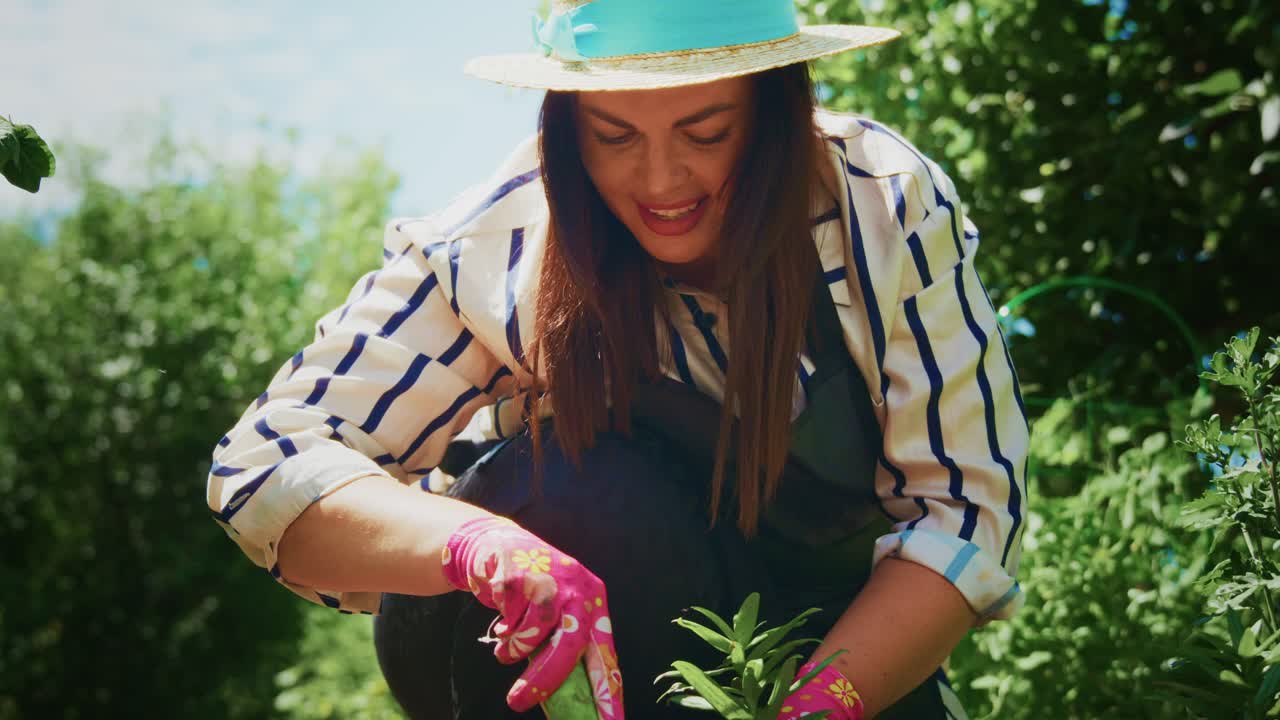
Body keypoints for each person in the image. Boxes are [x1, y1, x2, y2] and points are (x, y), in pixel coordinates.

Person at [206, 1, 1029, 718]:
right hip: (543, 644)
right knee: (577, 493)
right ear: (566, 124)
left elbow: (960, 513)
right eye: (614, 134)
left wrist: (819, 709)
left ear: (773, 110)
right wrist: (479, 549)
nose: (662, 179)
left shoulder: (878, 204)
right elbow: (260, 466)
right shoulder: (497, 248)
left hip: (840, 647)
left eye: (706, 131)